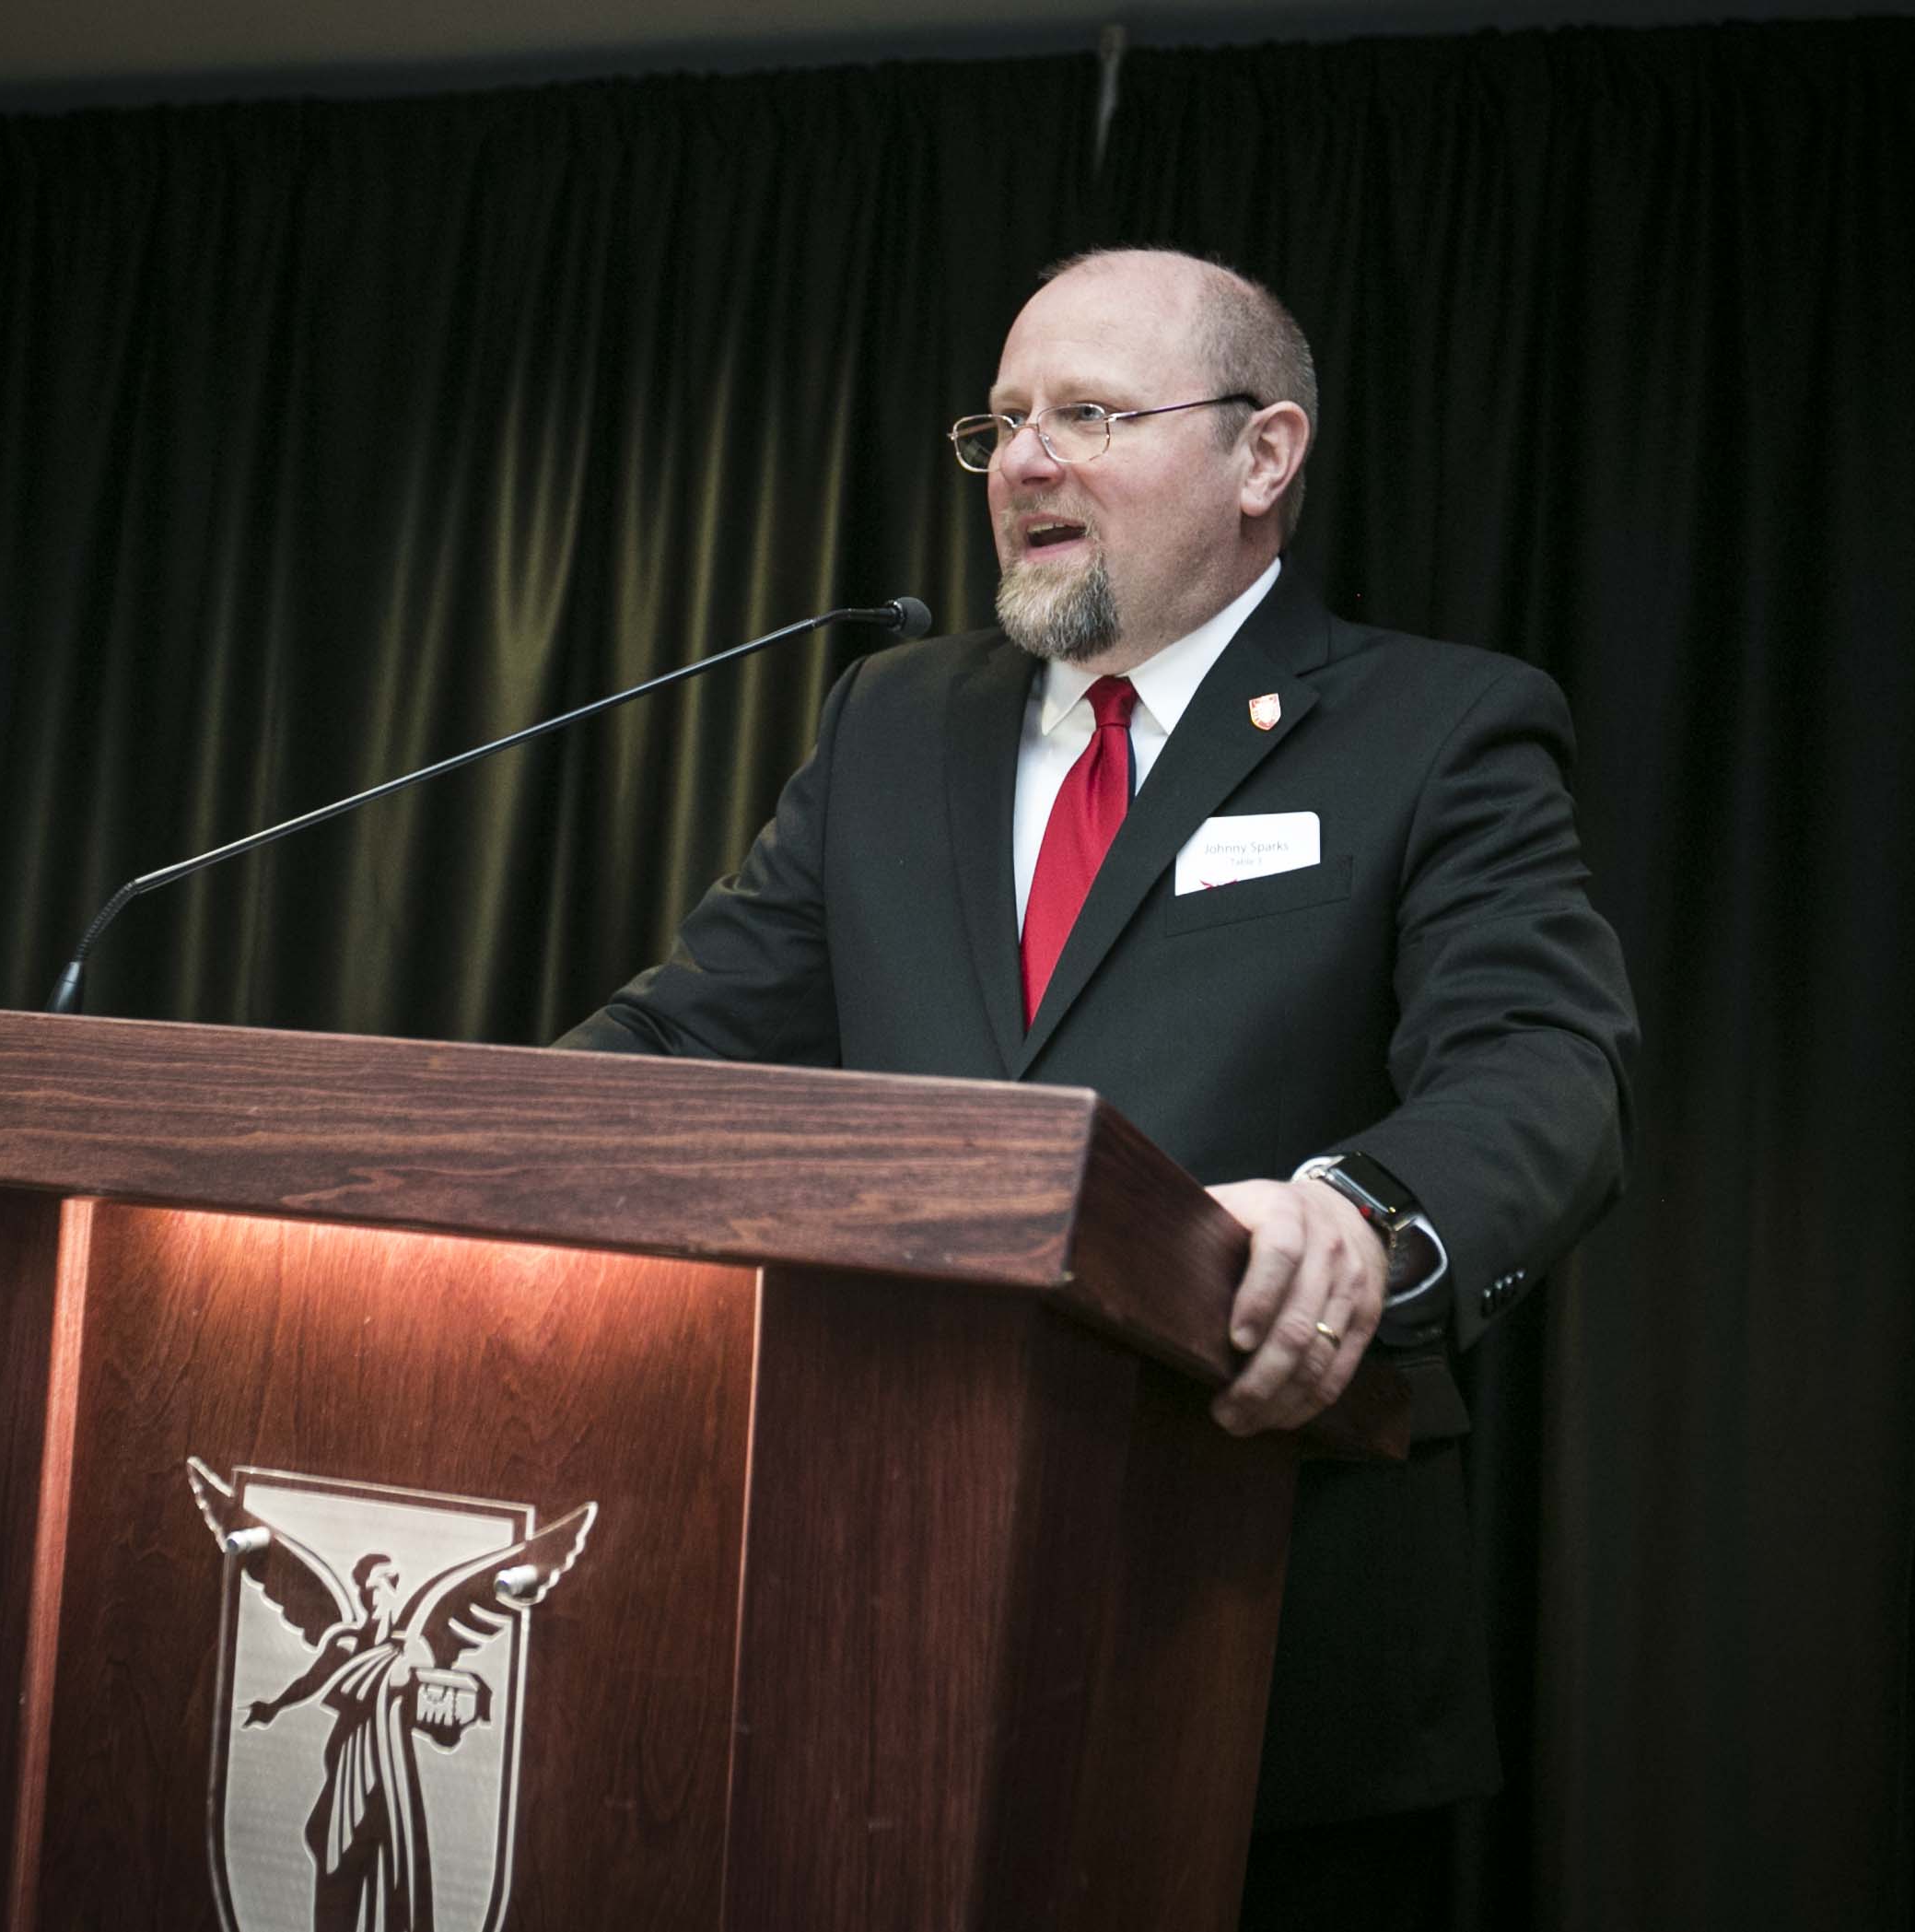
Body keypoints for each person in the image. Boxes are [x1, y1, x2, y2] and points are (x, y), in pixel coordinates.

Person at [557, 247, 1638, 1926]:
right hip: (869, 1633)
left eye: (1089, 414)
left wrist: (1353, 1216)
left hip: (1261, 1629)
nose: (1027, 463)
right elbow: (685, 1043)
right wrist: (453, 1155)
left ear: (1262, 457)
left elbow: (1540, 1065)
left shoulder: (1436, 727)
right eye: (1001, 425)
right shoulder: (891, 724)